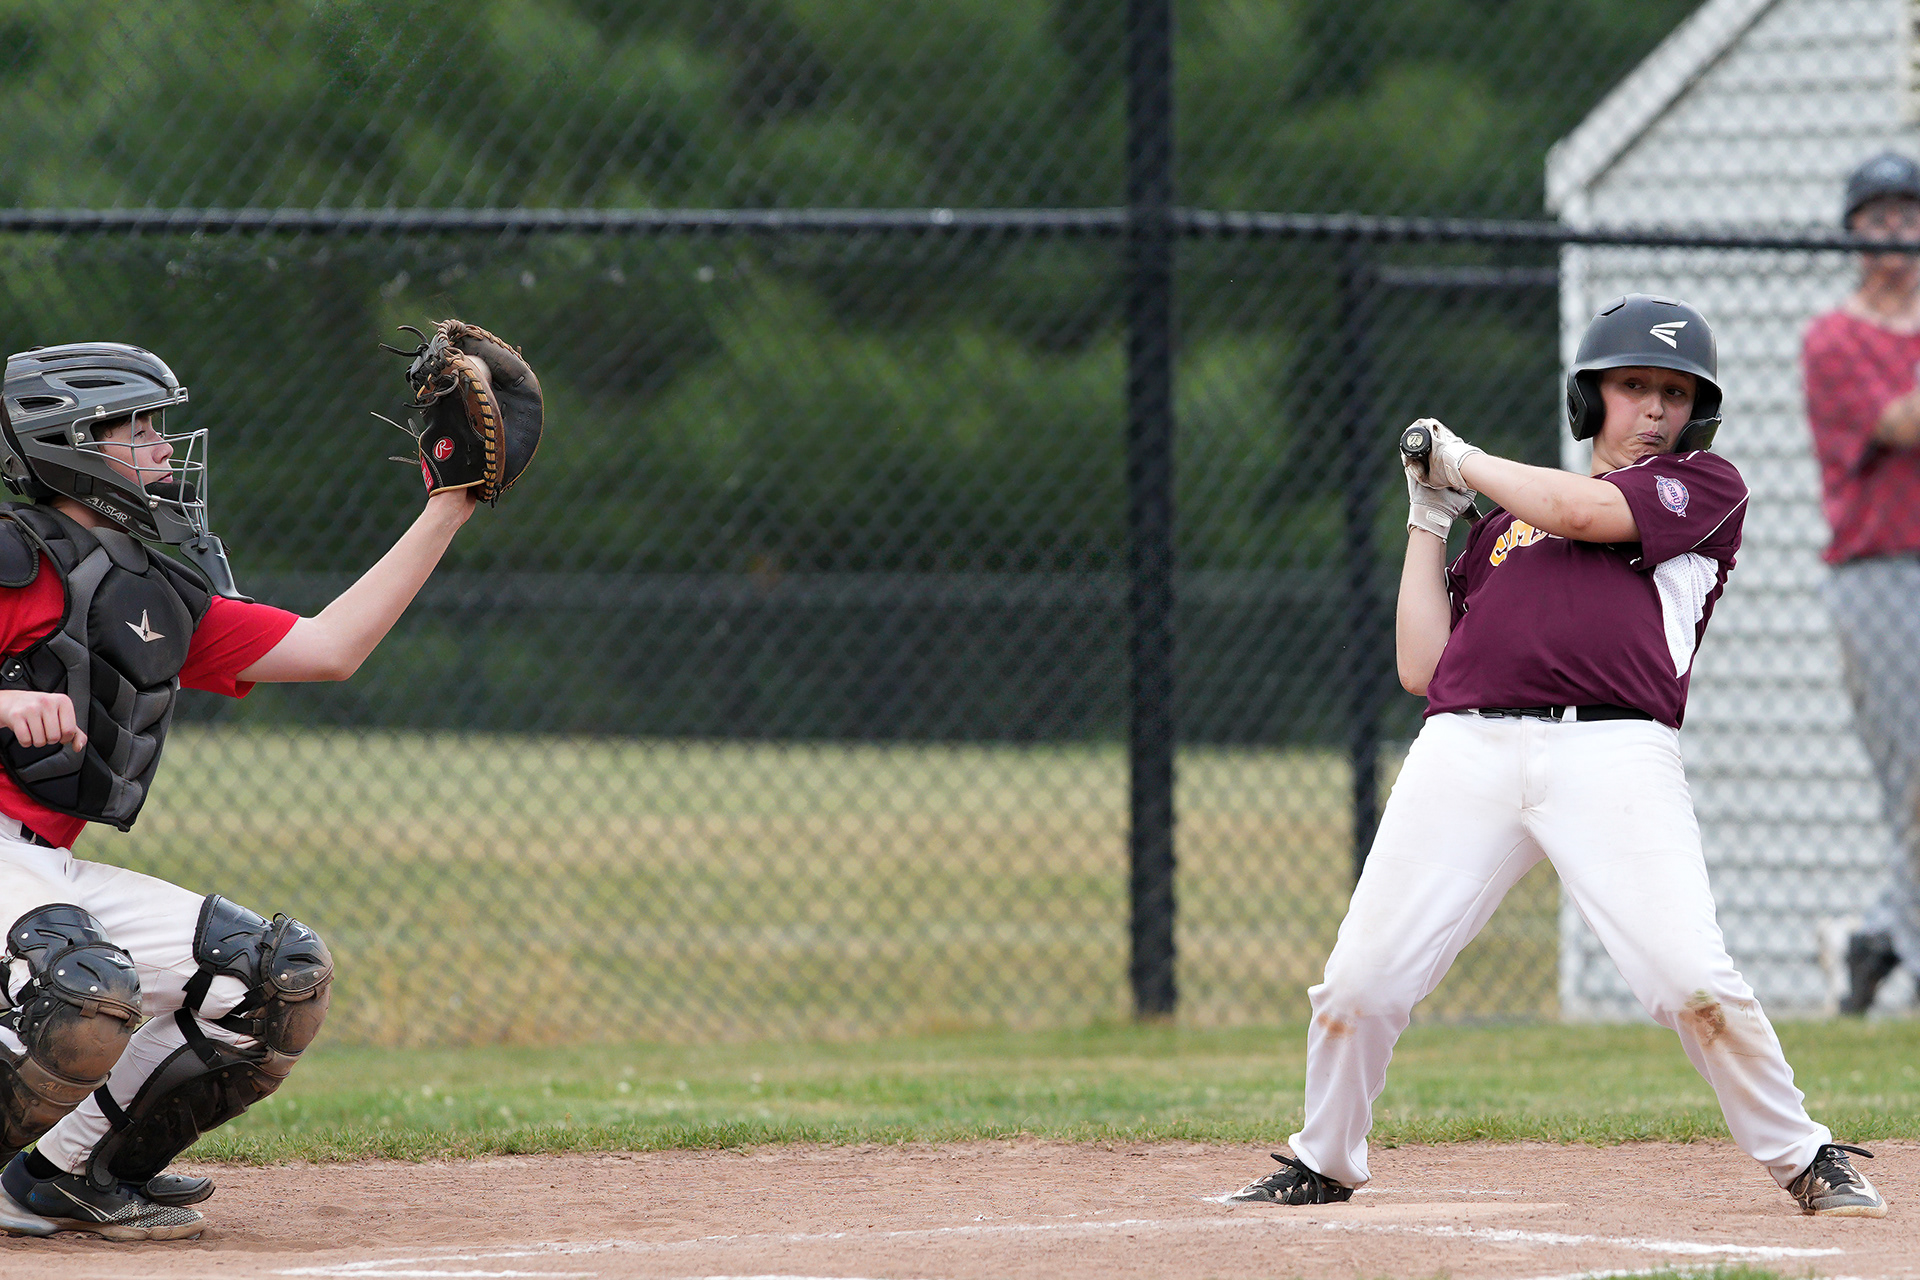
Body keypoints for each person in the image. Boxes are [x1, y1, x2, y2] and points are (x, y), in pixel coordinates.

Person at [1225, 295, 1887, 1217]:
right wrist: (1430, 516)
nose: (1653, 408)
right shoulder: (1505, 525)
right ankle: (1324, 1159)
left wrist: (1463, 460)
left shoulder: (1701, 488)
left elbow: (1579, 507)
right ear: (1589, 399)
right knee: (1358, 985)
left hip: (1613, 753)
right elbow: (1421, 666)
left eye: (1674, 393)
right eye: (1632, 386)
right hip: (1465, 747)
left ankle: (1806, 1155)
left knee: (1689, 981)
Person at [0, 341, 482, 1240]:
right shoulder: (7, 557)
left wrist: (447, 506)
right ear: (69, 444)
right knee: (80, 988)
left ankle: (60, 1177)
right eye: (137, 428)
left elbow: (329, 649)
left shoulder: (150, 588)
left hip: (37, 867)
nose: (162, 447)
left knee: (271, 978)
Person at [1802, 150, 1920, 1016]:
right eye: (1877, 218)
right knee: (1913, 776)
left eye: (1907, 214)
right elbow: (1900, 422)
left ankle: (1874, 937)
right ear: (1853, 233)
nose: (1895, 232)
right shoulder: (1834, 339)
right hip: (1881, 577)